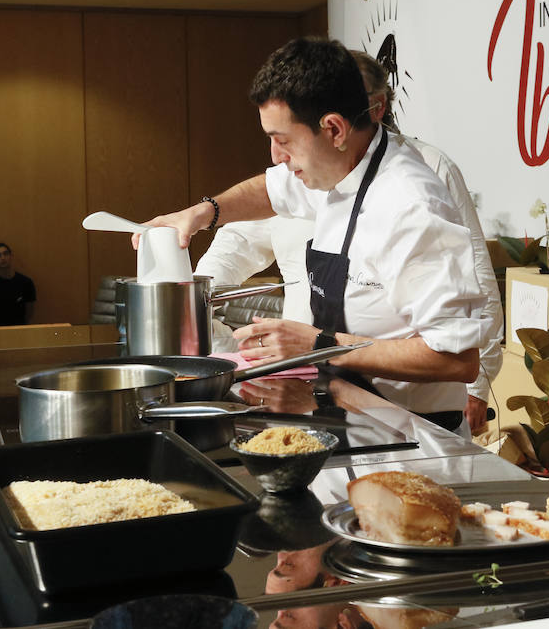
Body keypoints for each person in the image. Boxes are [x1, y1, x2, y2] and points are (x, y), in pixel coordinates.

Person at [141, 37, 488, 431]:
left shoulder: (411, 206)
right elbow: (270, 190)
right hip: (340, 416)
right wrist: (205, 211)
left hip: (410, 434)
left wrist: (317, 345)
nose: (276, 156)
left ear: (334, 129)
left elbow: (457, 359)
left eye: (283, 140)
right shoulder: (339, 166)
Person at [0, 242, 36, 326]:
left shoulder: (26, 283)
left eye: (5, 254)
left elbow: (29, 313)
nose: (3, 258)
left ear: (11, 256)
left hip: (19, 329)